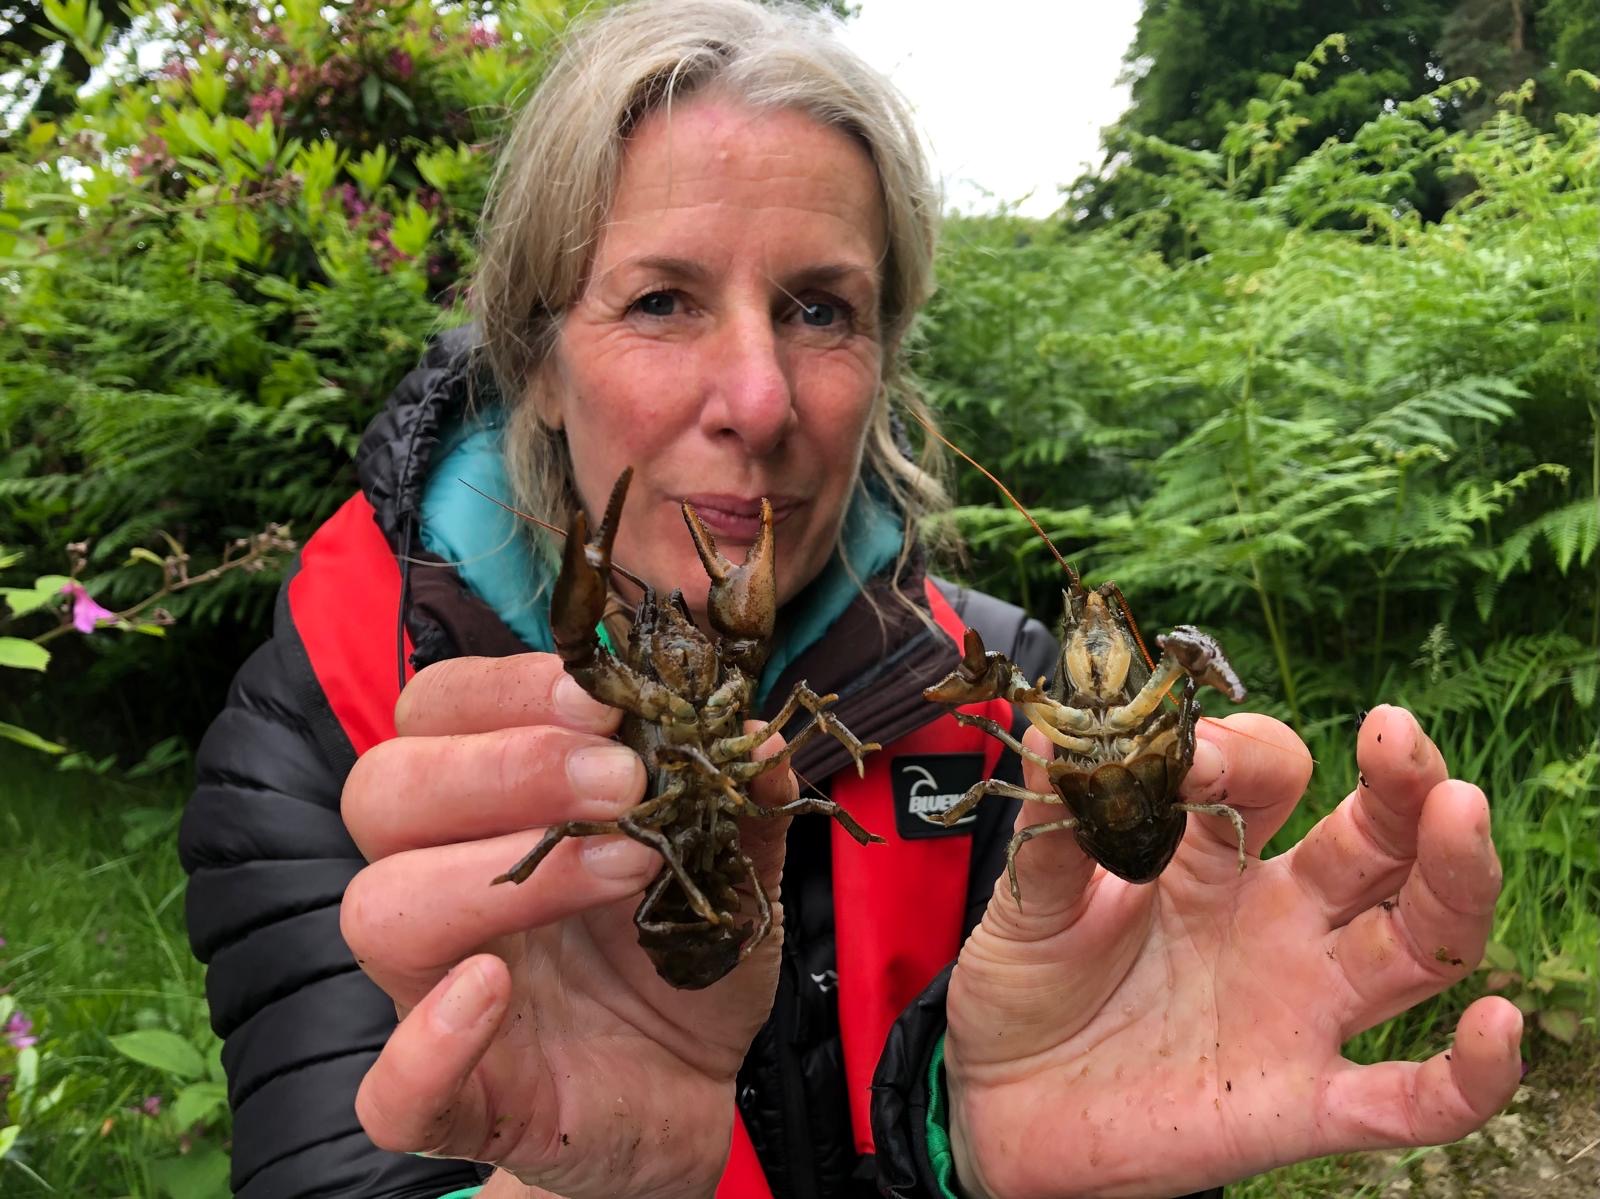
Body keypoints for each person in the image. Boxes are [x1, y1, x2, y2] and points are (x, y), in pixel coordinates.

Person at [178, 1, 1523, 1196]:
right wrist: (578, 1190)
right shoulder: (320, 721)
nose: (759, 399)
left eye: (822, 310)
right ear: (533, 359)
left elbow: (1081, 1091)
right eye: (662, 300)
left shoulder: (1007, 696)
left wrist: (978, 1153)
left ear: (884, 357)